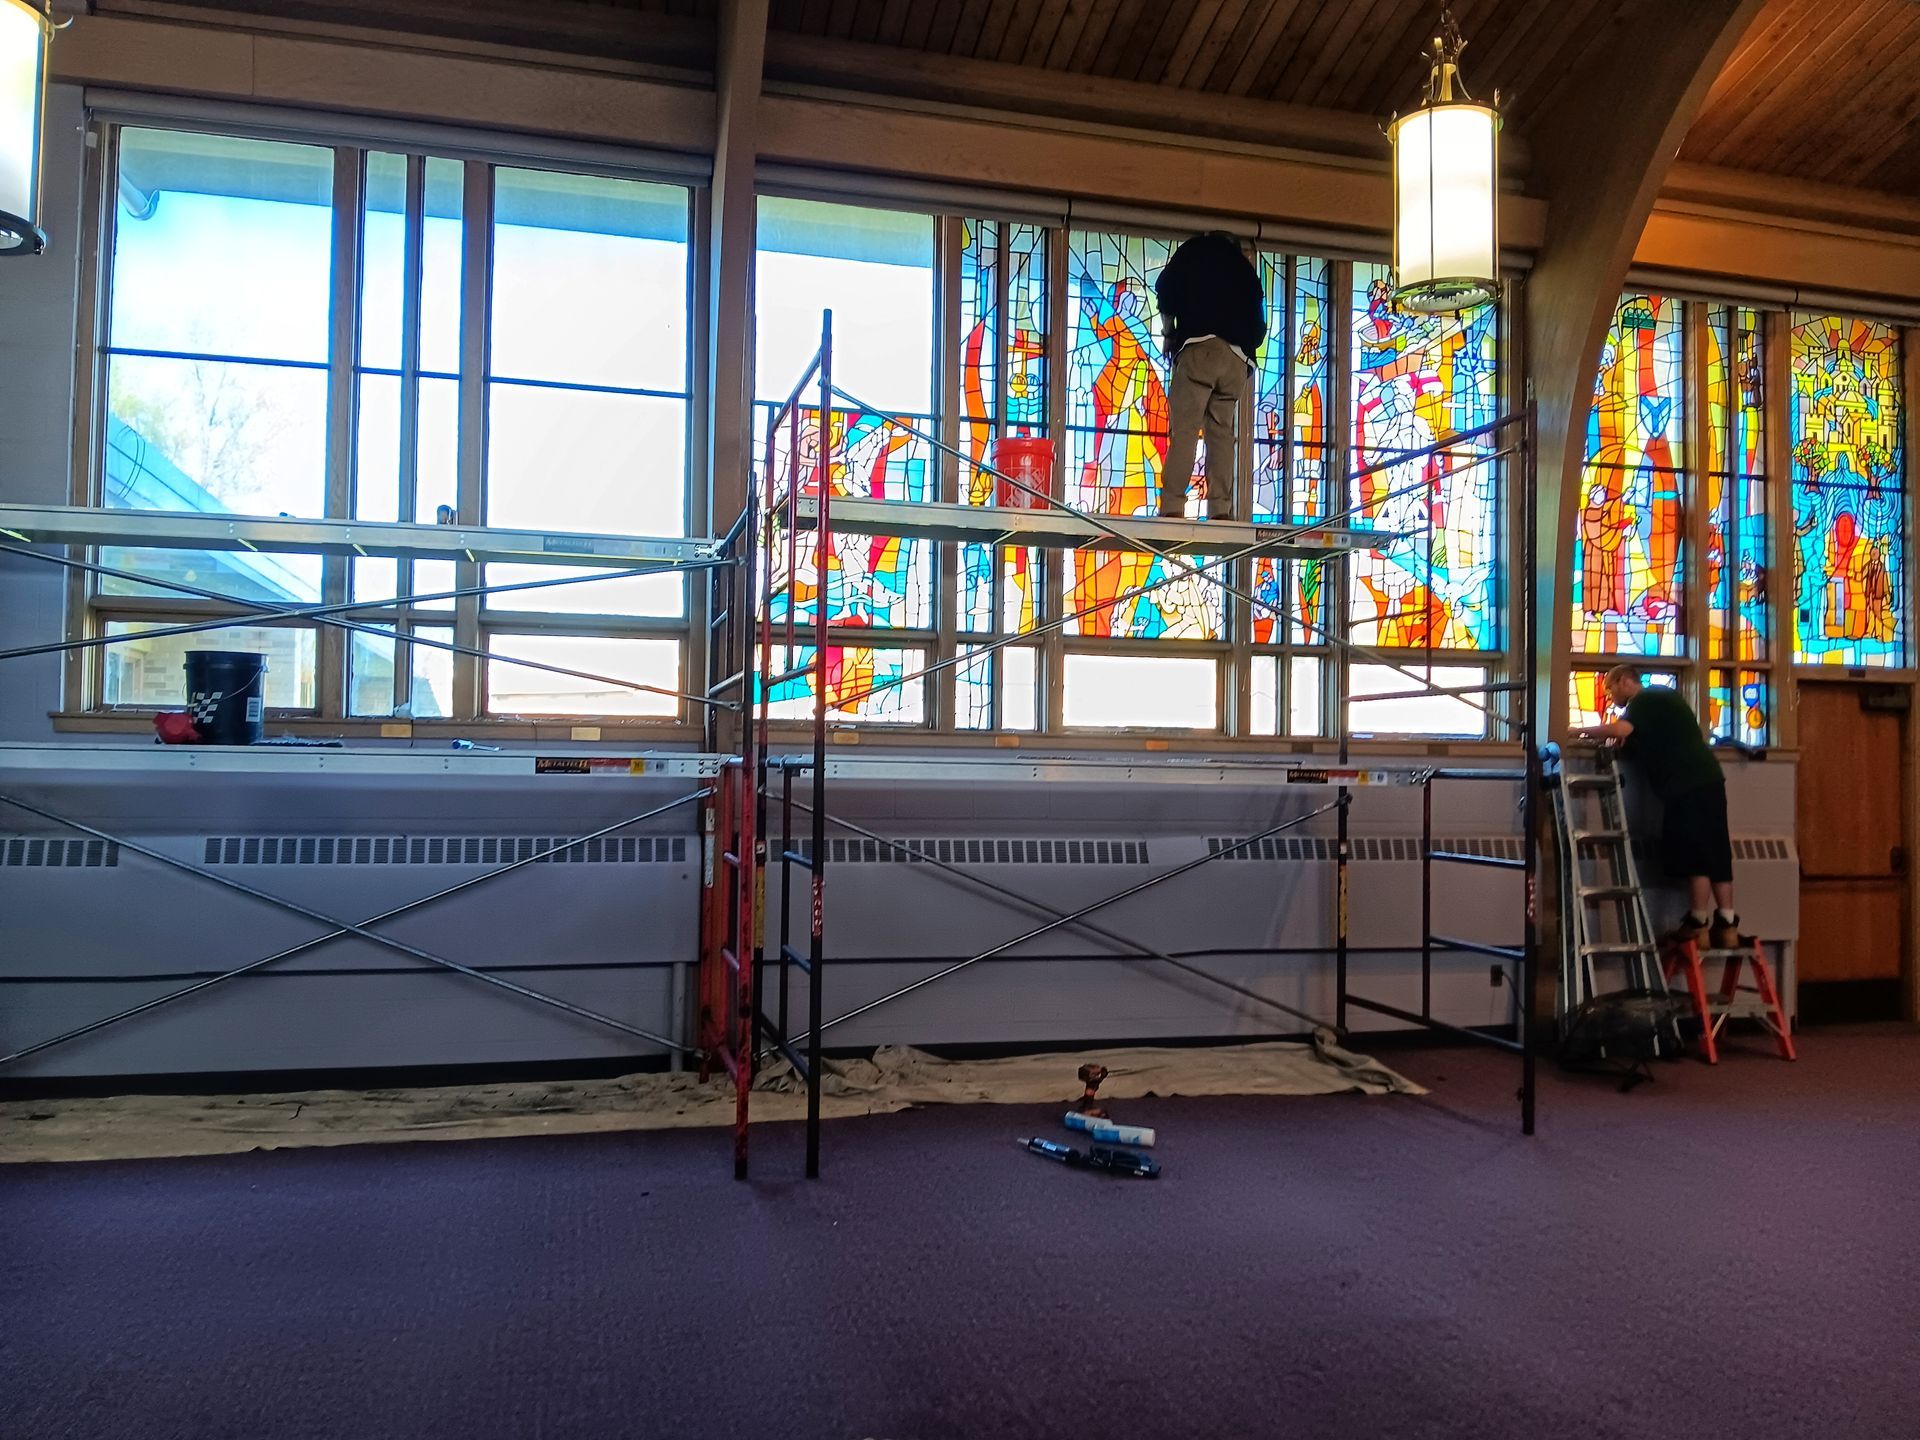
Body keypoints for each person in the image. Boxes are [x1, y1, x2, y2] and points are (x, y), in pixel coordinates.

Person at [1577, 664, 1741, 948]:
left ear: (1625, 681)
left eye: (1610, 688)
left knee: (1695, 851)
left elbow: (1622, 728)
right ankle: (1727, 923)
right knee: (1715, 848)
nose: (1610, 695)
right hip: (1709, 780)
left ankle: (1697, 922)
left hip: (1685, 786)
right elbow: (1644, 739)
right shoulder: (1668, 699)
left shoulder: (1646, 699)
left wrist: (1577, 731)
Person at [1153, 232, 1266, 521]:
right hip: (1236, 360)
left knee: (1186, 430)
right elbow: (1259, 327)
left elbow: (1165, 289)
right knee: (1221, 434)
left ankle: (1172, 507)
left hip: (1198, 349)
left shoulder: (1192, 251)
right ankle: (1220, 510)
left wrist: (1169, 333)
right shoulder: (1244, 267)